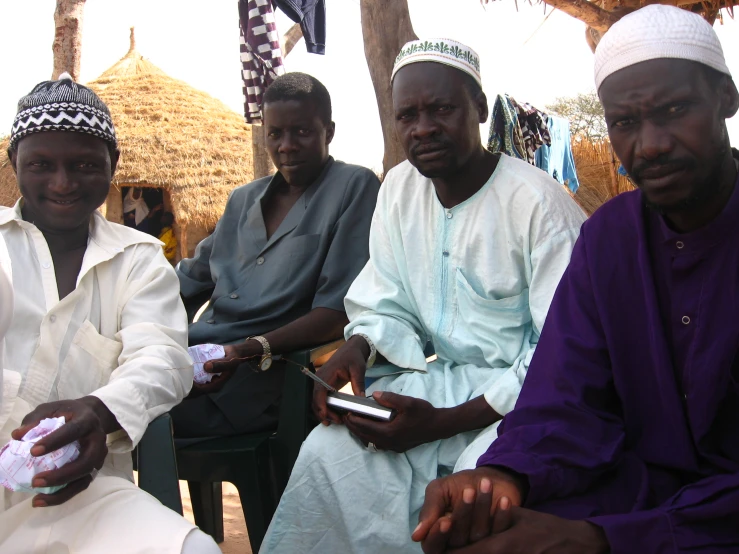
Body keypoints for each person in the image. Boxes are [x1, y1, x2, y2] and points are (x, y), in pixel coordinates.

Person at [414, 6, 739, 554]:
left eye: (676, 109)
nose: (651, 144)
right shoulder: (610, 237)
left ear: (727, 99)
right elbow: (566, 395)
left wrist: (601, 541)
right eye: (625, 123)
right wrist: (507, 477)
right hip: (633, 492)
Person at [260, 39, 586, 553]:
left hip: (529, 406)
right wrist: (358, 346)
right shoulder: (399, 189)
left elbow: (564, 357)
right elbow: (388, 298)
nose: (423, 127)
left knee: (473, 491)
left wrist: (442, 423)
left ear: (479, 108)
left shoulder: (539, 206)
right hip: (446, 384)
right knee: (329, 451)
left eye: (442, 109)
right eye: (407, 114)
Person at [0, 74, 219, 553]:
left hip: (76, 494)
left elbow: (162, 357)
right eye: (41, 164)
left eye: (82, 165)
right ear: (15, 163)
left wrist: (101, 411)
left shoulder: (138, 259)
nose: (62, 183)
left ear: (112, 165)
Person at [172, 72, 380, 438]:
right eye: (275, 134)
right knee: (112, 395)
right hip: (201, 362)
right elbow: (187, 281)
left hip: (265, 378)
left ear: (328, 132)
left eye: (301, 132)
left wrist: (250, 349)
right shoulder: (243, 200)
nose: (286, 145)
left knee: (142, 426)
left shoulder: (353, 187)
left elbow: (335, 312)